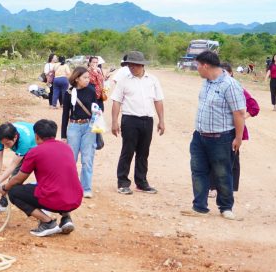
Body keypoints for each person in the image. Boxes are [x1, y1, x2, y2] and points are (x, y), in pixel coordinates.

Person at [181, 51, 247, 221]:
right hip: (200, 136)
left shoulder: (230, 85)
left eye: (197, 65)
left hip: (221, 137)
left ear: (205, 65)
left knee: (222, 173)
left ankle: (226, 207)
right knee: (198, 170)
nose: (196, 69)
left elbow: (239, 113)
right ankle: (199, 206)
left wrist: (238, 138)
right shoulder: (207, 82)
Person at [0, 120, 83, 237]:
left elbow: (18, 179)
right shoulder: (66, 147)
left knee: (14, 192)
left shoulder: (35, 152)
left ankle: (48, 222)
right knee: (54, 183)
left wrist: (5, 187)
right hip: (75, 198)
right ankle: (66, 218)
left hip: (55, 198)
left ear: (36, 136)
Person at [109, 51, 165, 194]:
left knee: (143, 152)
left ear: (141, 65)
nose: (131, 68)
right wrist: (114, 122)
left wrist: (161, 120)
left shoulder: (152, 80)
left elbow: (158, 100)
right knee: (127, 151)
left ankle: (141, 182)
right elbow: (116, 102)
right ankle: (122, 182)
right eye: (129, 65)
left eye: (134, 65)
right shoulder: (123, 81)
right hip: (130, 120)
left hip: (147, 120)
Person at [62, 67, 100, 199]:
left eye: (88, 77)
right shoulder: (69, 92)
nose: (87, 80)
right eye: (85, 78)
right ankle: (70, 186)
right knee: (71, 159)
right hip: (73, 126)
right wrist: (63, 135)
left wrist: (97, 122)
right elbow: (65, 113)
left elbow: (96, 109)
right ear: (77, 78)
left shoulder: (91, 90)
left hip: (89, 127)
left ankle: (86, 188)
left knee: (87, 159)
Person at [0, 121, 37, 214]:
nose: (5, 146)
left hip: (36, 149)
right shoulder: (2, 137)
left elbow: (13, 165)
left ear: (15, 137)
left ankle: (46, 207)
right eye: (3, 143)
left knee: (18, 179)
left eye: (7, 144)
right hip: (22, 149)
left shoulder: (24, 141)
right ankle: (2, 205)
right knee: (14, 179)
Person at [222, 65, 259, 192]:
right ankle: (214, 187)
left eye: (225, 73)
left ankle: (231, 187)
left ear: (231, 73)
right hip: (217, 129)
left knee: (233, 157)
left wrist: (242, 118)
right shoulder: (214, 88)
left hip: (234, 129)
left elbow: (254, 107)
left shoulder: (238, 89)